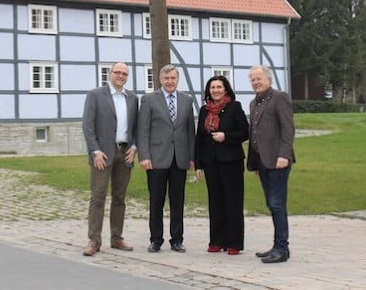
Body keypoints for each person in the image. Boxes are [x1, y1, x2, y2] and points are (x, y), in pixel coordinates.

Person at [82, 62, 138, 256]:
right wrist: (94, 151)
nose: (121, 76)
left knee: (119, 197)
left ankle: (117, 238)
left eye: (125, 74)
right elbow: (87, 126)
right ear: (110, 73)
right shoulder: (95, 95)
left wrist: (135, 147)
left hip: (125, 153)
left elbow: (137, 127)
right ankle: (94, 240)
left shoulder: (132, 98)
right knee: (98, 197)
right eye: (118, 72)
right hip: (102, 154)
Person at [137, 64, 195, 253]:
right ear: (160, 80)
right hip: (156, 158)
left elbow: (189, 131)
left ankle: (177, 239)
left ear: (178, 80)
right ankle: (156, 239)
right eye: (167, 78)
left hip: (180, 159)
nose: (170, 81)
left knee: (177, 201)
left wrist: (191, 157)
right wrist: (144, 156)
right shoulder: (149, 99)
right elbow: (143, 130)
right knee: (156, 201)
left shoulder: (186, 100)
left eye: (173, 78)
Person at [194, 76, 249, 255]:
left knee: (232, 201)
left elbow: (244, 132)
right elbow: (199, 139)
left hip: (231, 161)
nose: (215, 90)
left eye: (219, 87)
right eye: (212, 87)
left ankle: (234, 243)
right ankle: (217, 240)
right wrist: (198, 165)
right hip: (210, 162)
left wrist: (226, 136)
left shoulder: (235, 107)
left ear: (226, 89)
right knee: (215, 201)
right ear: (208, 90)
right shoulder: (204, 110)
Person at [247, 65, 296, 264]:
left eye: (259, 78)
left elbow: (288, 128)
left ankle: (281, 248)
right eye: (252, 79)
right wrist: (254, 164)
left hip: (278, 161)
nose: (256, 82)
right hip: (262, 162)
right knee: (271, 204)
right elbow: (254, 134)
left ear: (269, 79)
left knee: (277, 205)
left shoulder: (280, 98)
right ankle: (279, 246)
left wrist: (284, 155)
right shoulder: (253, 103)